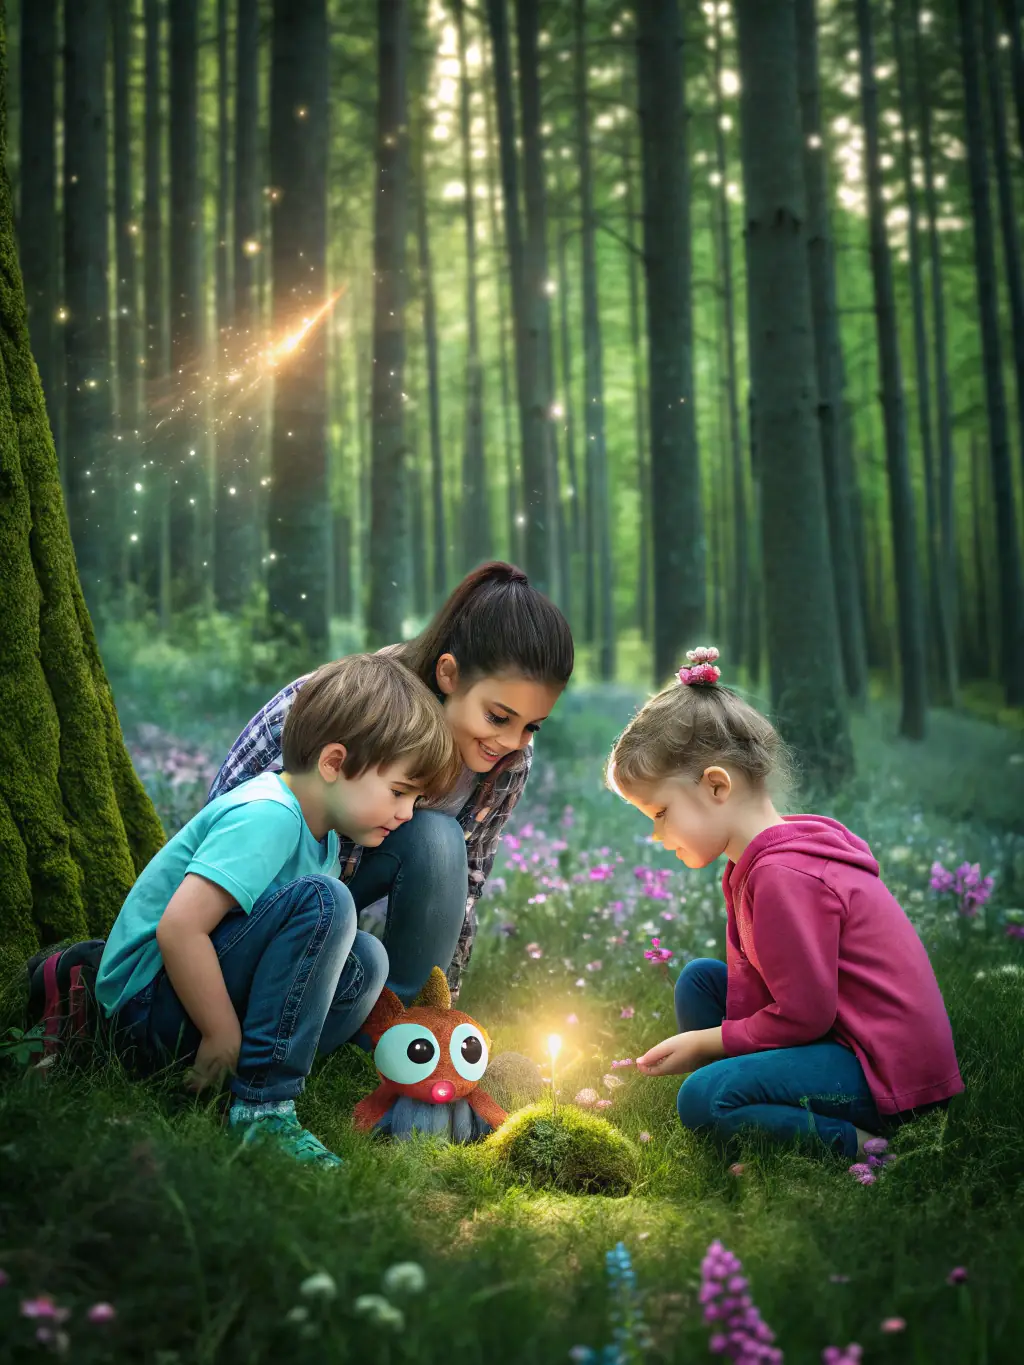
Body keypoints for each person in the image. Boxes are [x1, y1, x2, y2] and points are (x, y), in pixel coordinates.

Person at [96, 654, 461, 1168]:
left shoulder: (323, 838)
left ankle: (243, 1082)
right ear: (334, 763)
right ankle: (263, 1109)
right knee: (326, 901)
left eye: (415, 798)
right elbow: (179, 929)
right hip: (147, 1005)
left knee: (366, 962)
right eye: (400, 792)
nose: (405, 814)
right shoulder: (267, 815)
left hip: (195, 998)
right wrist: (222, 1032)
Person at [607, 647, 963, 1161]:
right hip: (842, 1037)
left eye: (661, 813)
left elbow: (804, 1017)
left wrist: (711, 1043)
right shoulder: (754, 864)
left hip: (887, 1075)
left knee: (701, 1099)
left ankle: (868, 1149)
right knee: (700, 981)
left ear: (715, 785)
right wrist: (721, 1038)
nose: (657, 835)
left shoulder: (783, 875)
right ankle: (752, 1107)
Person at [208, 562, 574, 1003]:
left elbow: (468, 876)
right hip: (257, 908)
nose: (513, 741)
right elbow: (234, 834)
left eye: (533, 726)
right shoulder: (354, 707)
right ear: (449, 674)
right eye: (498, 717)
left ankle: (409, 1025)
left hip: (337, 906)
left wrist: (445, 997)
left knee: (439, 843)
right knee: (428, 846)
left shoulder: (510, 757)